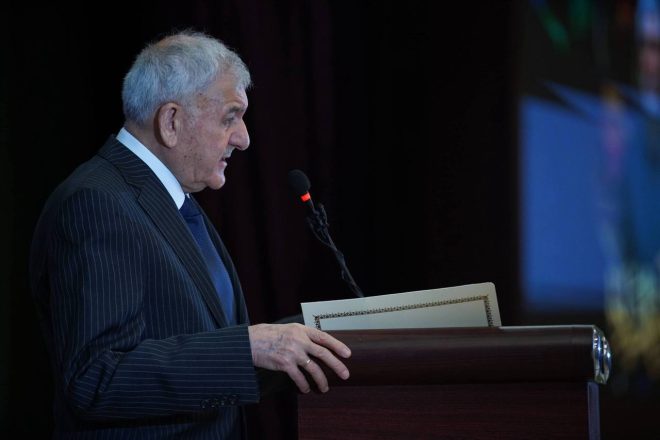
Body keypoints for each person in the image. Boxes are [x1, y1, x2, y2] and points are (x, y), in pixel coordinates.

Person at [29, 30, 351, 439]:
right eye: (230, 117)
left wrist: (308, 339)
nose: (244, 138)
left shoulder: (171, 199)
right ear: (171, 121)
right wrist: (247, 348)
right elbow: (96, 378)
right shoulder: (98, 203)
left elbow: (199, 346)